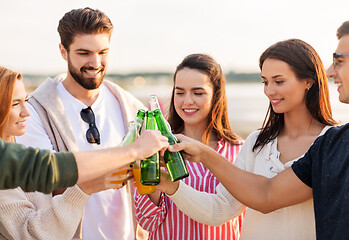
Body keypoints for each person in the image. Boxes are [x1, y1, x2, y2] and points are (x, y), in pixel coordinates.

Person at [161, 18, 349, 240]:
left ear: (308, 81)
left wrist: (205, 155)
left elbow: (268, 196)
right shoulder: (256, 142)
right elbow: (220, 209)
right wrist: (171, 186)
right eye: (265, 82)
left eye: (279, 81)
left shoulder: (332, 145)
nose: (269, 91)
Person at [15, 7, 146, 239]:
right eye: (84, 53)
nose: (95, 62)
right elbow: (45, 183)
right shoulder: (34, 112)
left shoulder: (131, 107)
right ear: (63, 51)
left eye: (103, 52)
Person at [0, 66, 168, 239]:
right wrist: (85, 187)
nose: (27, 112)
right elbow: (32, 234)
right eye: (14, 104)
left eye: (25, 101)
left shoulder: (21, 149)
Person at [134, 53, 244, 239]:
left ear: (216, 95)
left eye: (198, 92)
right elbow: (147, 221)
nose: (187, 101)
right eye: (180, 92)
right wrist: (151, 173)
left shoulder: (239, 151)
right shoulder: (157, 147)